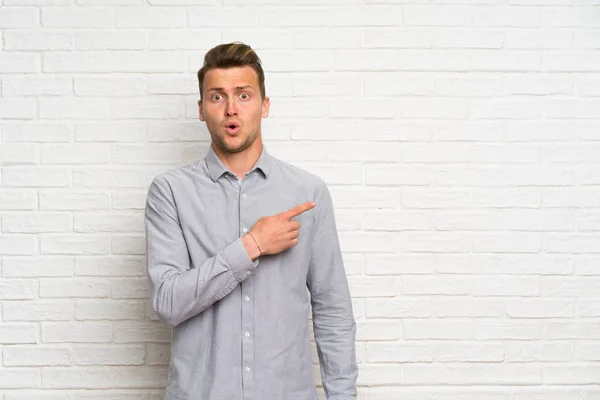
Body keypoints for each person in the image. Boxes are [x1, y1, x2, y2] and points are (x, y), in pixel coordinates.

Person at [145, 42, 358, 400]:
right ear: (201, 110)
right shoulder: (170, 193)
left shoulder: (308, 194)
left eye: (243, 95)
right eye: (217, 97)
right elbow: (168, 302)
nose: (231, 109)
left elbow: (333, 311)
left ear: (265, 105)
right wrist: (252, 246)